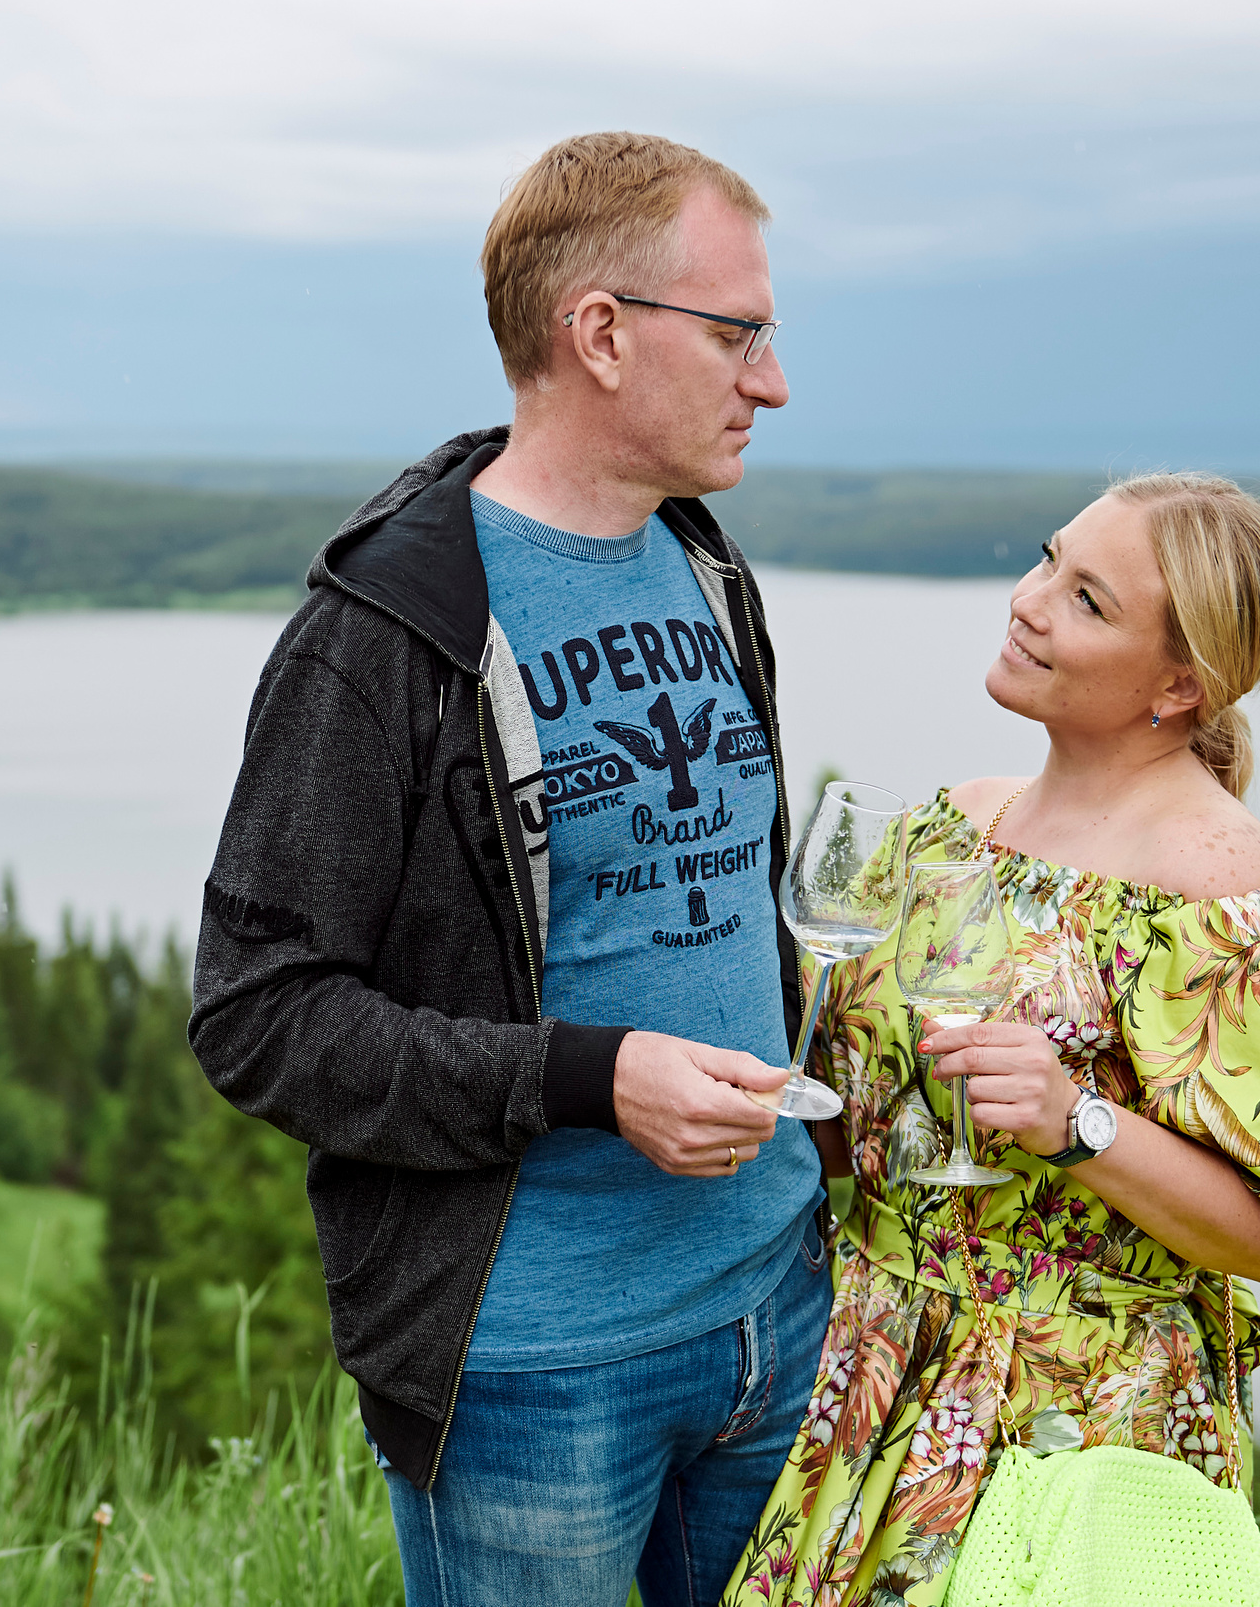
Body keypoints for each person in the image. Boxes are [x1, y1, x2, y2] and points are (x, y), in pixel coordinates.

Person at [190, 132, 831, 1606]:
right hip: (536, 1366)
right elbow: (258, 1018)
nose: (772, 380)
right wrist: (589, 1080)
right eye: (738, 334)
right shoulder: (384, 632)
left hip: (775, 1307)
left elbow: (724, 909)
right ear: (598, 334)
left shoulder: (709, 568)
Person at [722, 474, 1260, 1606]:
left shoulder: (1218, 881)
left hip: (1075, 1429)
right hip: (868, 1384)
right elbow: (858, 1124)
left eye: (1085, 599)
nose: (1027, 600)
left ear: (1181, 683)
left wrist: (1077, 1121)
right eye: (1045, 559)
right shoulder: (952, 823)